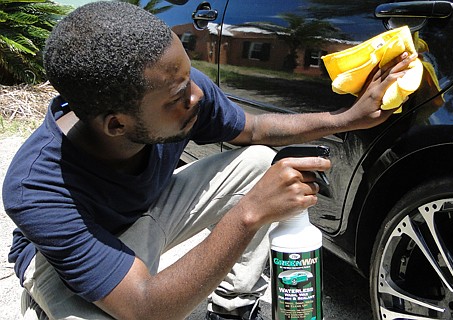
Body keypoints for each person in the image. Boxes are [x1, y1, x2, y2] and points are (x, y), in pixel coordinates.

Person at [2, 1, 417, 319]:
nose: (197, 94)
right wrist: (250, 214)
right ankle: (51, 302)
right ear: (116, 125)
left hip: (146, 212)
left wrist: (346, 118)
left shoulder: (178, 91)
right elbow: (146, 308)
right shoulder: (38, 188)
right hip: (64, 260)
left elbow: (254, 130)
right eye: (179, 96)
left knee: (256, 162)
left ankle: (233, 304)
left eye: (188, 77)